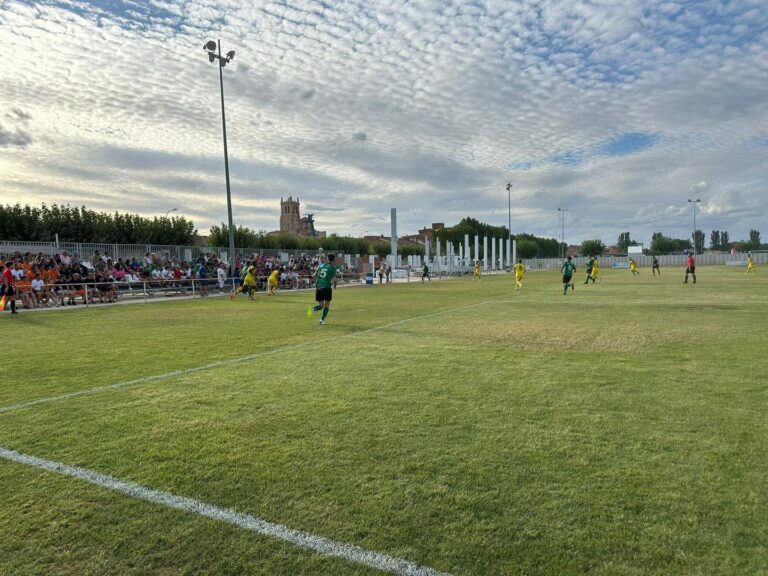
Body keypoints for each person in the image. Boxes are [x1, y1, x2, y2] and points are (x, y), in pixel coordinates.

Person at [307, 253, 338, 325]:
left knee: (321, 306)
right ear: (334, 259)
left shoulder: (320, 266)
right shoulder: (332, 268)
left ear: (327, 259)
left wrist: (317, 282)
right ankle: (322, 320)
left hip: (319, 287)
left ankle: (311, 309)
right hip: (327, 287)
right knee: (326, 305)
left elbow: (313, 276)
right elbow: (335, 280)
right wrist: (335, 285)